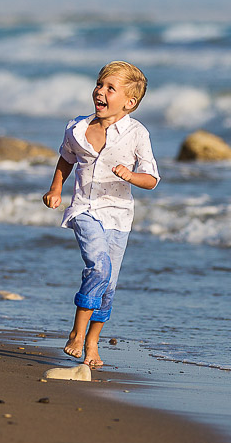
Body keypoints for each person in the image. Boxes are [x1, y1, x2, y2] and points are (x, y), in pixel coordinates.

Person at [43, 61, 159, 367]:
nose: (100, 91)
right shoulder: (77, 128)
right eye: (99, 84)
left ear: (129, 102)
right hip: (84, 209)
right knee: (98, 266)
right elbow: (65, 160)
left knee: (108, 286)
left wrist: (130, 176)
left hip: (119, 218)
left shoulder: (136, 134)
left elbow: (151, 179)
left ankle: (93, 344)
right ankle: (77, 334)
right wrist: (56, 189)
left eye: (110, 88)